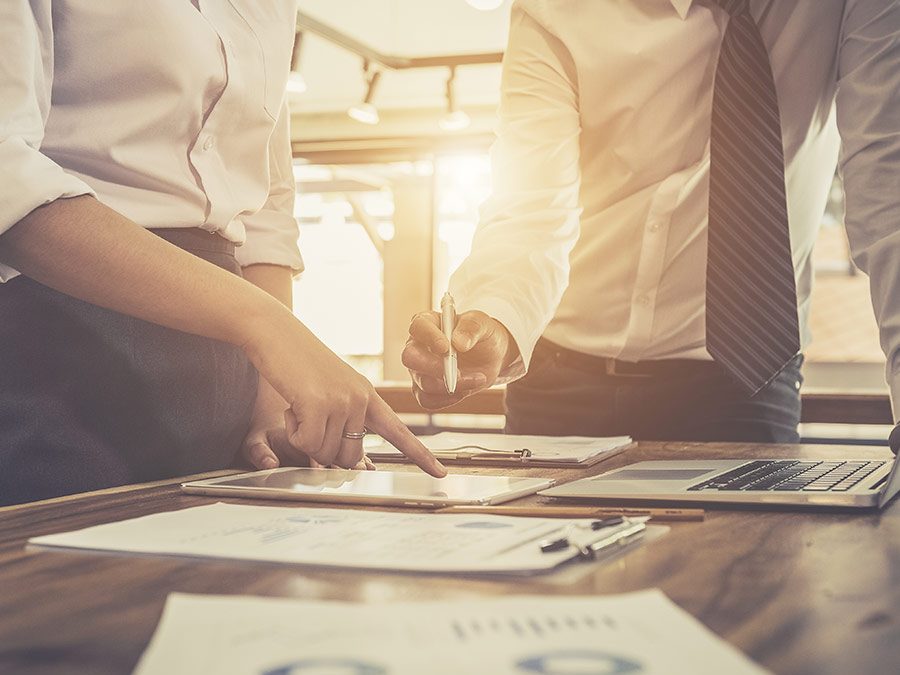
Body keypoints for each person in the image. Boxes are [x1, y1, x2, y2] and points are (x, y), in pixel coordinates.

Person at [0, 1, 445, 507]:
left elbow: (265, 204)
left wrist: (273, 392)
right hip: (64, 333)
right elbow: (6, 175)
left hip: (228, 359)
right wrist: (268, 327)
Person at [403, 0, 900, 443]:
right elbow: (531, 202)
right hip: (559, 376)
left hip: (743, 376)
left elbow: (889, 186)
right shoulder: (556, 8)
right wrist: (496, 314)